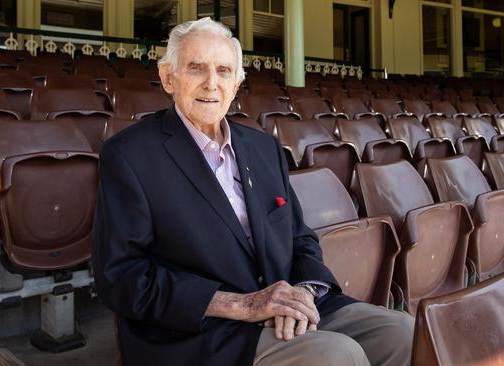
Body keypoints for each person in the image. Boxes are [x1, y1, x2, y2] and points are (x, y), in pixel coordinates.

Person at [92, 17, 414, 366]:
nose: (211, 84)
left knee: (404, 332)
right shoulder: (130, 155)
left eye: (224, 70)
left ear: (238, 82)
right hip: (203, 328)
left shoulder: (263, 148)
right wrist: (243, 305)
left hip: (282, 305)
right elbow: (120, 277)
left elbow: (301, 239)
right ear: (169, 78)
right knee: (338, 355)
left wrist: (302, 294)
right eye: (196, 68)